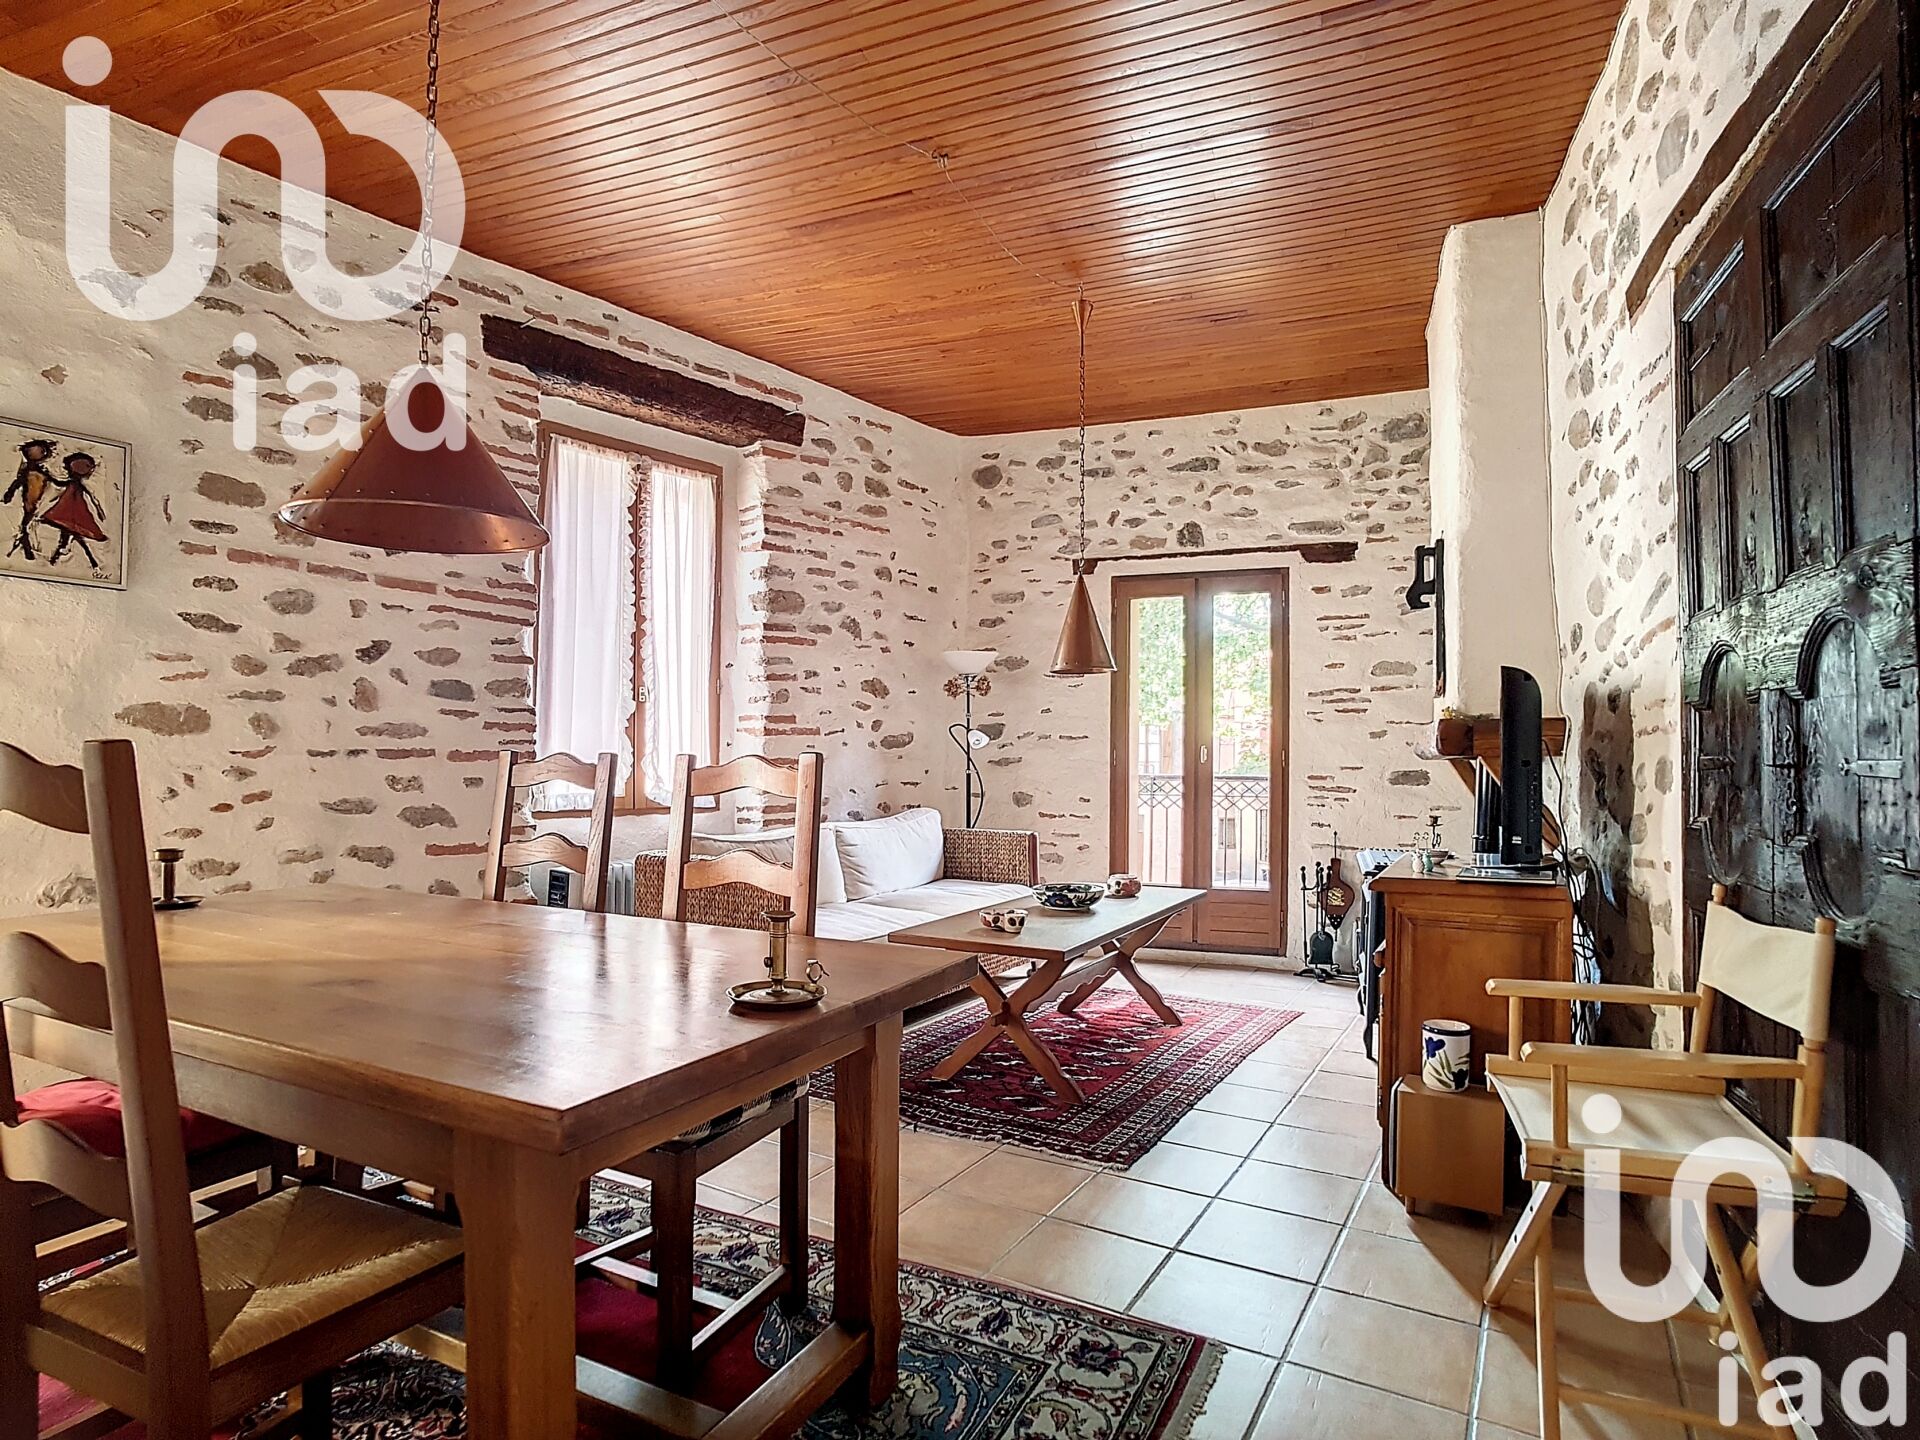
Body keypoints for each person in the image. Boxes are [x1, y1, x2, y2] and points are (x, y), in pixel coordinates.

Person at [40, 450, 109, 570]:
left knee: (73, 535)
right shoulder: (75, 484)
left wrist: (98, 509)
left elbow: (59, 483)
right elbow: (60, 483)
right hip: (68, 512)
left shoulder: (75, 484)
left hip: (73, 512)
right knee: (71, 534)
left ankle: (60, 556)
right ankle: (62, 556)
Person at [4, 438, 57, 561]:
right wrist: (9, 494)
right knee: (26, 524)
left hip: (41, 501)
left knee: (27, 525)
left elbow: (55, 482)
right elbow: (17, 483)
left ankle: (26, 546)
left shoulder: (42, 472)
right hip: (29, 501)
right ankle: (26, 547)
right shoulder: (26, 472)